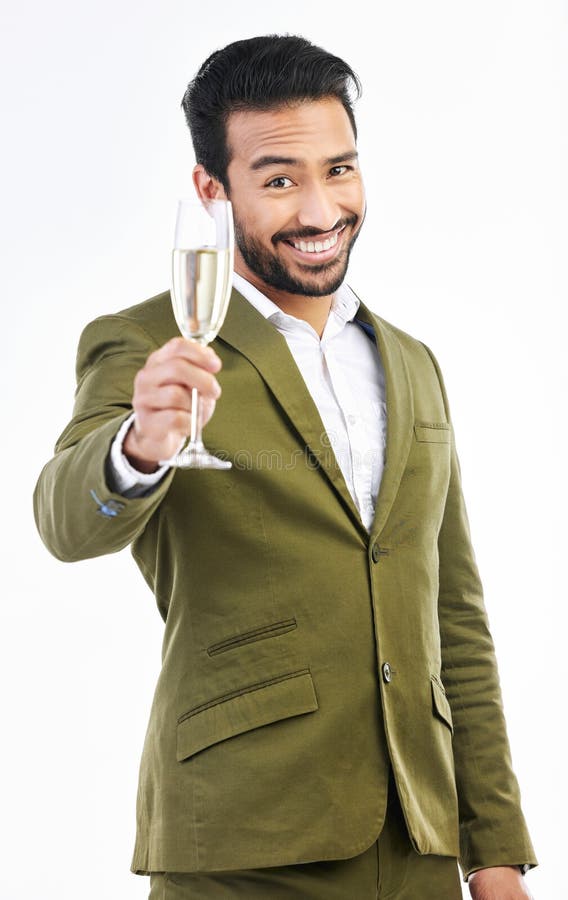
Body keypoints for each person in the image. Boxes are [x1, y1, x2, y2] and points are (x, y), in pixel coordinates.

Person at [34, 34, 538, 900]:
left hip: (418, 845)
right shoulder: (151, 340)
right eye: (278, 179)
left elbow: (454, 617)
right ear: (211, 190)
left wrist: (492, 849)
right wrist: (138, 447)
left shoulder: (413, 363)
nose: (319, 208)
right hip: (242, 845)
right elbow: (64, 521)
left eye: (339, 170)